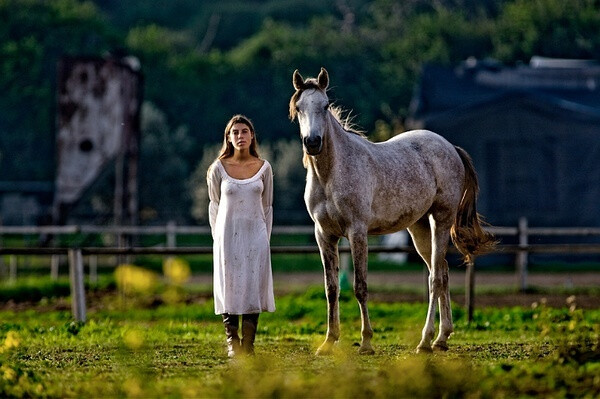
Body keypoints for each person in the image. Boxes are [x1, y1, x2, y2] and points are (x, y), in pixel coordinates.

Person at [206, 114, 275, 357]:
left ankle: (249, 344)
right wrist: (219, 239)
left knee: (252, 287)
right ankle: (232, 343)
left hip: (256, 237)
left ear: (252, 135)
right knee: (231, 287)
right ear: (228, 137)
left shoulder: (264, 168)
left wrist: (264, 239)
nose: (240, 136)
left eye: (244, 131)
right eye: (235, 132)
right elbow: (214, 205)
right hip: (227, 238)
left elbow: (267, 208)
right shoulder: (218, 168)